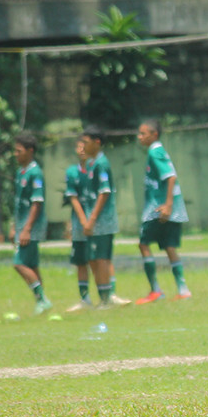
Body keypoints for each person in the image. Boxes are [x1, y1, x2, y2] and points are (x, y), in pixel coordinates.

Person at [135, 119, 191, 303]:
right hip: (166, 207)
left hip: (158, 208)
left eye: (143, 133)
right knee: (169, 247)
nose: (139, 137)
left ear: (154, 135)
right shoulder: (157, 151)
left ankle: (156, 290)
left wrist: (167, 205)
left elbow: (170, 176)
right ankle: (183, 290)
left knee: (144, 244)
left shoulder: (155, 152)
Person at [81, 126, 131, 308]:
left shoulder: (102, 164)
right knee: (95, 258)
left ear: (97, 143)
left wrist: (92, 219)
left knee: (102, 258)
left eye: (86, 142)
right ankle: (104, 296)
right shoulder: (92, 163)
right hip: (94, 221)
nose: (83, 146)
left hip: (102, 221)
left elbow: (104, 193)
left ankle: (107, 298)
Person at [11, 131, 52, 315]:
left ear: (30, 151)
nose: (16, 154)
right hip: (22, 225)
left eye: (19, 151)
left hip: (31, 227)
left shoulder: (35, 173)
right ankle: (41, 303)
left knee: (19, 264)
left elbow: (37, 203)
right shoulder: (21, 172)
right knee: (33, 265)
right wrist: (14, 226)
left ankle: (42, 298)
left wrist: (26, 229)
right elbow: (20, 202)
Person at [63, 137, 92, 311]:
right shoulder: (72, 172)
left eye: (84, 146)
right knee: (81, 260)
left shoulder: (98, 168)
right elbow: (72, 197)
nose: (81, 149)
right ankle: (84, 298)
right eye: (78, 146)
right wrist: (82, 219)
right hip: (80, 223)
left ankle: (108, 295)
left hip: (97, 223)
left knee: (100, 259)